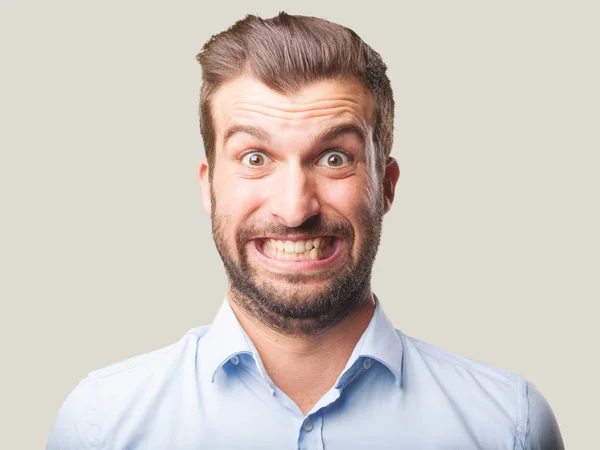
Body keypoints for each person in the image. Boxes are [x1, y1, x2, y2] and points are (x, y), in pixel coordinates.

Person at [47, 12, 564, 450]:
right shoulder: (100, 426)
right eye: (255, 157)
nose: (295, 209)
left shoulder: (507, 426)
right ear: (208, 187)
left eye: (334, 157)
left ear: (385, 184)